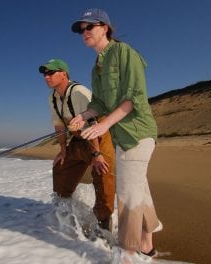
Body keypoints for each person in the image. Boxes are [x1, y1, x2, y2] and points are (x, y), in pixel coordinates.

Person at [69, 9, 162, 261]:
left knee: (127, 191)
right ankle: (147, 246)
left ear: (105, 28)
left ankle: (126, 253)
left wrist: (103, 125)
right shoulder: (96, 67)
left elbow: (133, 97)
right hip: (122, 136)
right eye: (81, 30)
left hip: (138, 132)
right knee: (138, 189)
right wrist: (85, 115)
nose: (84, 33)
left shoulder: (125, 53)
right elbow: (99, 102)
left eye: (89, 27)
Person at [38, 58, 116, 231]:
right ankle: (64, 212)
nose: (46, 77)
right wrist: (63, 151)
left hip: (98, 139)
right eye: (45, 73)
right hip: (77, 141)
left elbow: (92, 123)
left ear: (64, 74)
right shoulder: (52, 98)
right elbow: (59, 126)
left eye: (51, 72)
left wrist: (96, 155)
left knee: (102, 174)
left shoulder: (79, 91)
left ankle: (104, 222)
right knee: (60, 167)